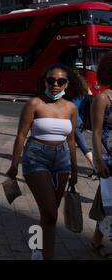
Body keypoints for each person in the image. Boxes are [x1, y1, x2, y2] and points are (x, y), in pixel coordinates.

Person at [6, 63, 81, 260]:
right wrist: (14, 165)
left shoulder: (71, 108)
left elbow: (72, 140)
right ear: (45, 81)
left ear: (67, 84)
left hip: (62, 159)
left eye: (60, 81)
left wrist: (75, 169)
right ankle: (46, 255)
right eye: (51, 80)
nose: (55, 84)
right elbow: (21, 136)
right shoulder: (34, 104)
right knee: (50, 212)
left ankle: (37, 248)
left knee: (48, 213)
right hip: (36, 157)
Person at [90, 54, 112, 260]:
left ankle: (96, 240)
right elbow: (96, 132)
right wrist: (99, 160)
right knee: (109, 200)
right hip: (109, 158)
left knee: (107, 201)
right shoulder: (102, 98)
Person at [69, 78, 96, 179]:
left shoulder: (70, 92)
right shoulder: (86, 90)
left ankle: (96, 168)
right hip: (81, 121)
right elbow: (92, 98)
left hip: (73, 120)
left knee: (83, 145)